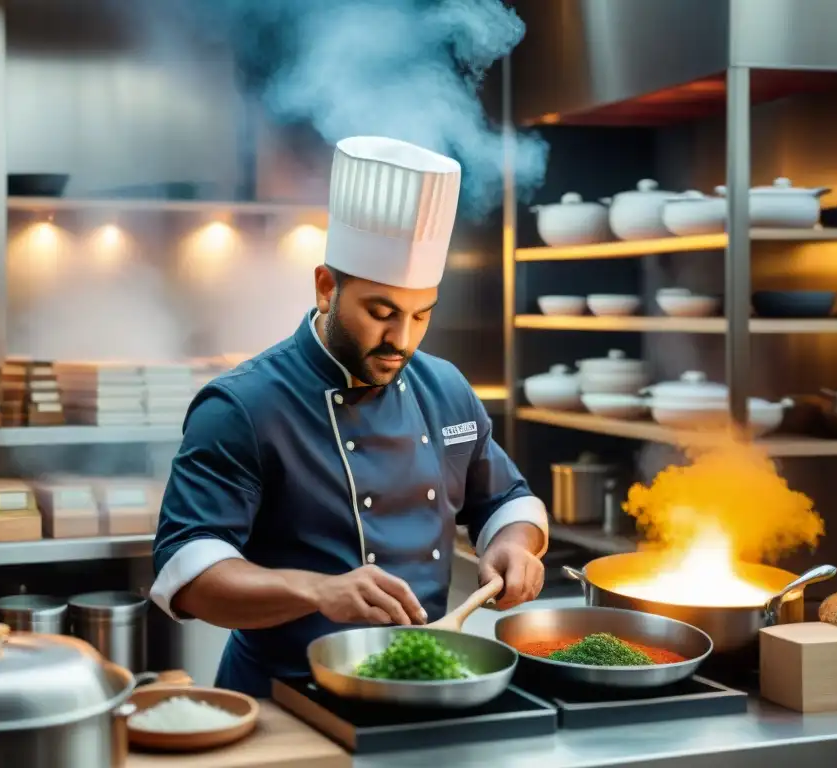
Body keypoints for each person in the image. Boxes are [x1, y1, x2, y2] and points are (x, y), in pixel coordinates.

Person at [151, 136, 549, 697]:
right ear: (325, 287)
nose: (401, 340)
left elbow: (506, 501)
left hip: (421, 683)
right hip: (284, 695)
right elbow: (189, 572)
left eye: (420, 315)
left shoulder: (446, 389)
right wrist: (316, 591)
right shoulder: (242, 406)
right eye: (381, 313)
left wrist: (513, 542)